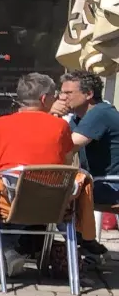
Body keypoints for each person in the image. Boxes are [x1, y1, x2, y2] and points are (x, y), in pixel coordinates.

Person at [0, 72, 75, 266]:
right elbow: (68, 163)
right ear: (44, 99)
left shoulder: (0, 125)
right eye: (54, 97)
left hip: (11, 202)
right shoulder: (60, 126)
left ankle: (6, 251)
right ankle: (13, 252)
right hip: (51, 205)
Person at [56, 70, 119, 210]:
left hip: (112, 184)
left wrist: (54, 116)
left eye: (68, 93)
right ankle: (78, 232)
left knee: (54, 197)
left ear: (89, 94)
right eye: (61, 92)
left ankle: (77, 233)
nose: (62, 98)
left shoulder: (100, 112)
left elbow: (68, 146)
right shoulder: (78, 118)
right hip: (100, 183)